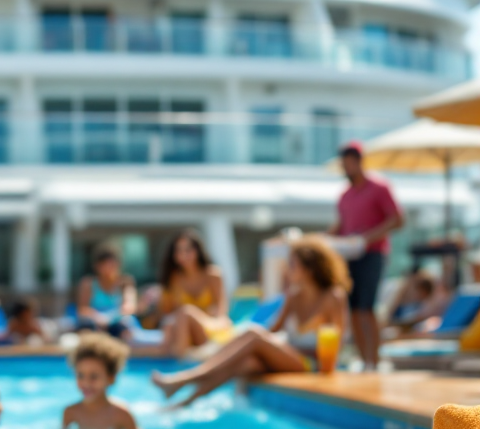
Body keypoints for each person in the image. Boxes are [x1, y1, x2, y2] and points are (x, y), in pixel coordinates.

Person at [152, 237, 350, 406]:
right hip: (289, 356)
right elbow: (273, 330)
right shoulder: (293, 297)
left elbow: (336, 343)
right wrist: (246, 345)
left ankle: (184, 379)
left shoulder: (333, 297)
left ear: (309, 269)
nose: (288, 271)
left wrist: (261, 341)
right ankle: (184, 403)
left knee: (253, 333)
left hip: (313, 363)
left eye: (292, 265)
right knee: (245, 363)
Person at [329, 141, 404, 370]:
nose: (346, 168)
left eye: (349, 163)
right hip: (349, 257)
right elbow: (341, 227)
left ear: (358, 162)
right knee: (353, 310)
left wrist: (366, 239)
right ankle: (364, 362)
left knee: (367, 308)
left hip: (373, 255)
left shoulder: (379, 187)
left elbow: (397, 219)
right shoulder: (345, 196)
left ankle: (375, 360)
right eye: (344, 164)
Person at [157, 230, 231, 357]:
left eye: (188, 250)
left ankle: (180, 365)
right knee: (179, 318)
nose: (184, 255)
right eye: (179, 251)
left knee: (185, 312)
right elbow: (166, 313)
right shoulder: (173, 278)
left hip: (212, 329)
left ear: (197, 250)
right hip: (184, 333)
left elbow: (221, 313)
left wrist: (196, 317)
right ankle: (180, 361)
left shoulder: (213, 274)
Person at [62, 332, 147, 429]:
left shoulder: (121, 414)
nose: (86, 383)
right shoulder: (71, 413)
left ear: (110, 378)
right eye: (81, 375)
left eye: (94, 376)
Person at [75, 243, 139, 340]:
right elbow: (82, 309)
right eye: (105, 265)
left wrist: (110, 318)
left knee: (125, 332)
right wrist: (98, 318)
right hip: (95, 325)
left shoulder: (125, 282)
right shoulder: (88, 283)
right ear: (97, 266)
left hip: (119, 325)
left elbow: (129, 307)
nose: (109, 268)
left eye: (112, 264)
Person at [385, 270, 448, 336]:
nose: (418, 296)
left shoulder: (428, 305)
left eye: (420, 292)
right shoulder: (418, 303)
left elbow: (420, 318)